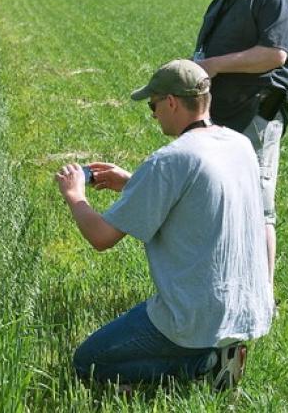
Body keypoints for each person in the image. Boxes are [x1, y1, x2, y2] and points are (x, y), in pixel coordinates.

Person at [55, 60, 274, 389]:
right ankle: (220, 351)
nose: (154, 113)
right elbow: (200, 199)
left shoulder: (171, 159)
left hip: (194, 317)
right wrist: (131, 183)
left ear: (171, 102)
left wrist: (75, 195)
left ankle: (203, 364)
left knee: (87, 362)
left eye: (153, 105)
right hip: (244, 310)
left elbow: (101, 237)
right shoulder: (238, 144)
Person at [192, 0, 288, 286]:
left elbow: (274, 54)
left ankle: (262, 298)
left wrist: (214, 65)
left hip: (255, 113)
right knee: (217, 199)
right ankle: (222, 285)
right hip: (221, 113)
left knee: (258, 206)